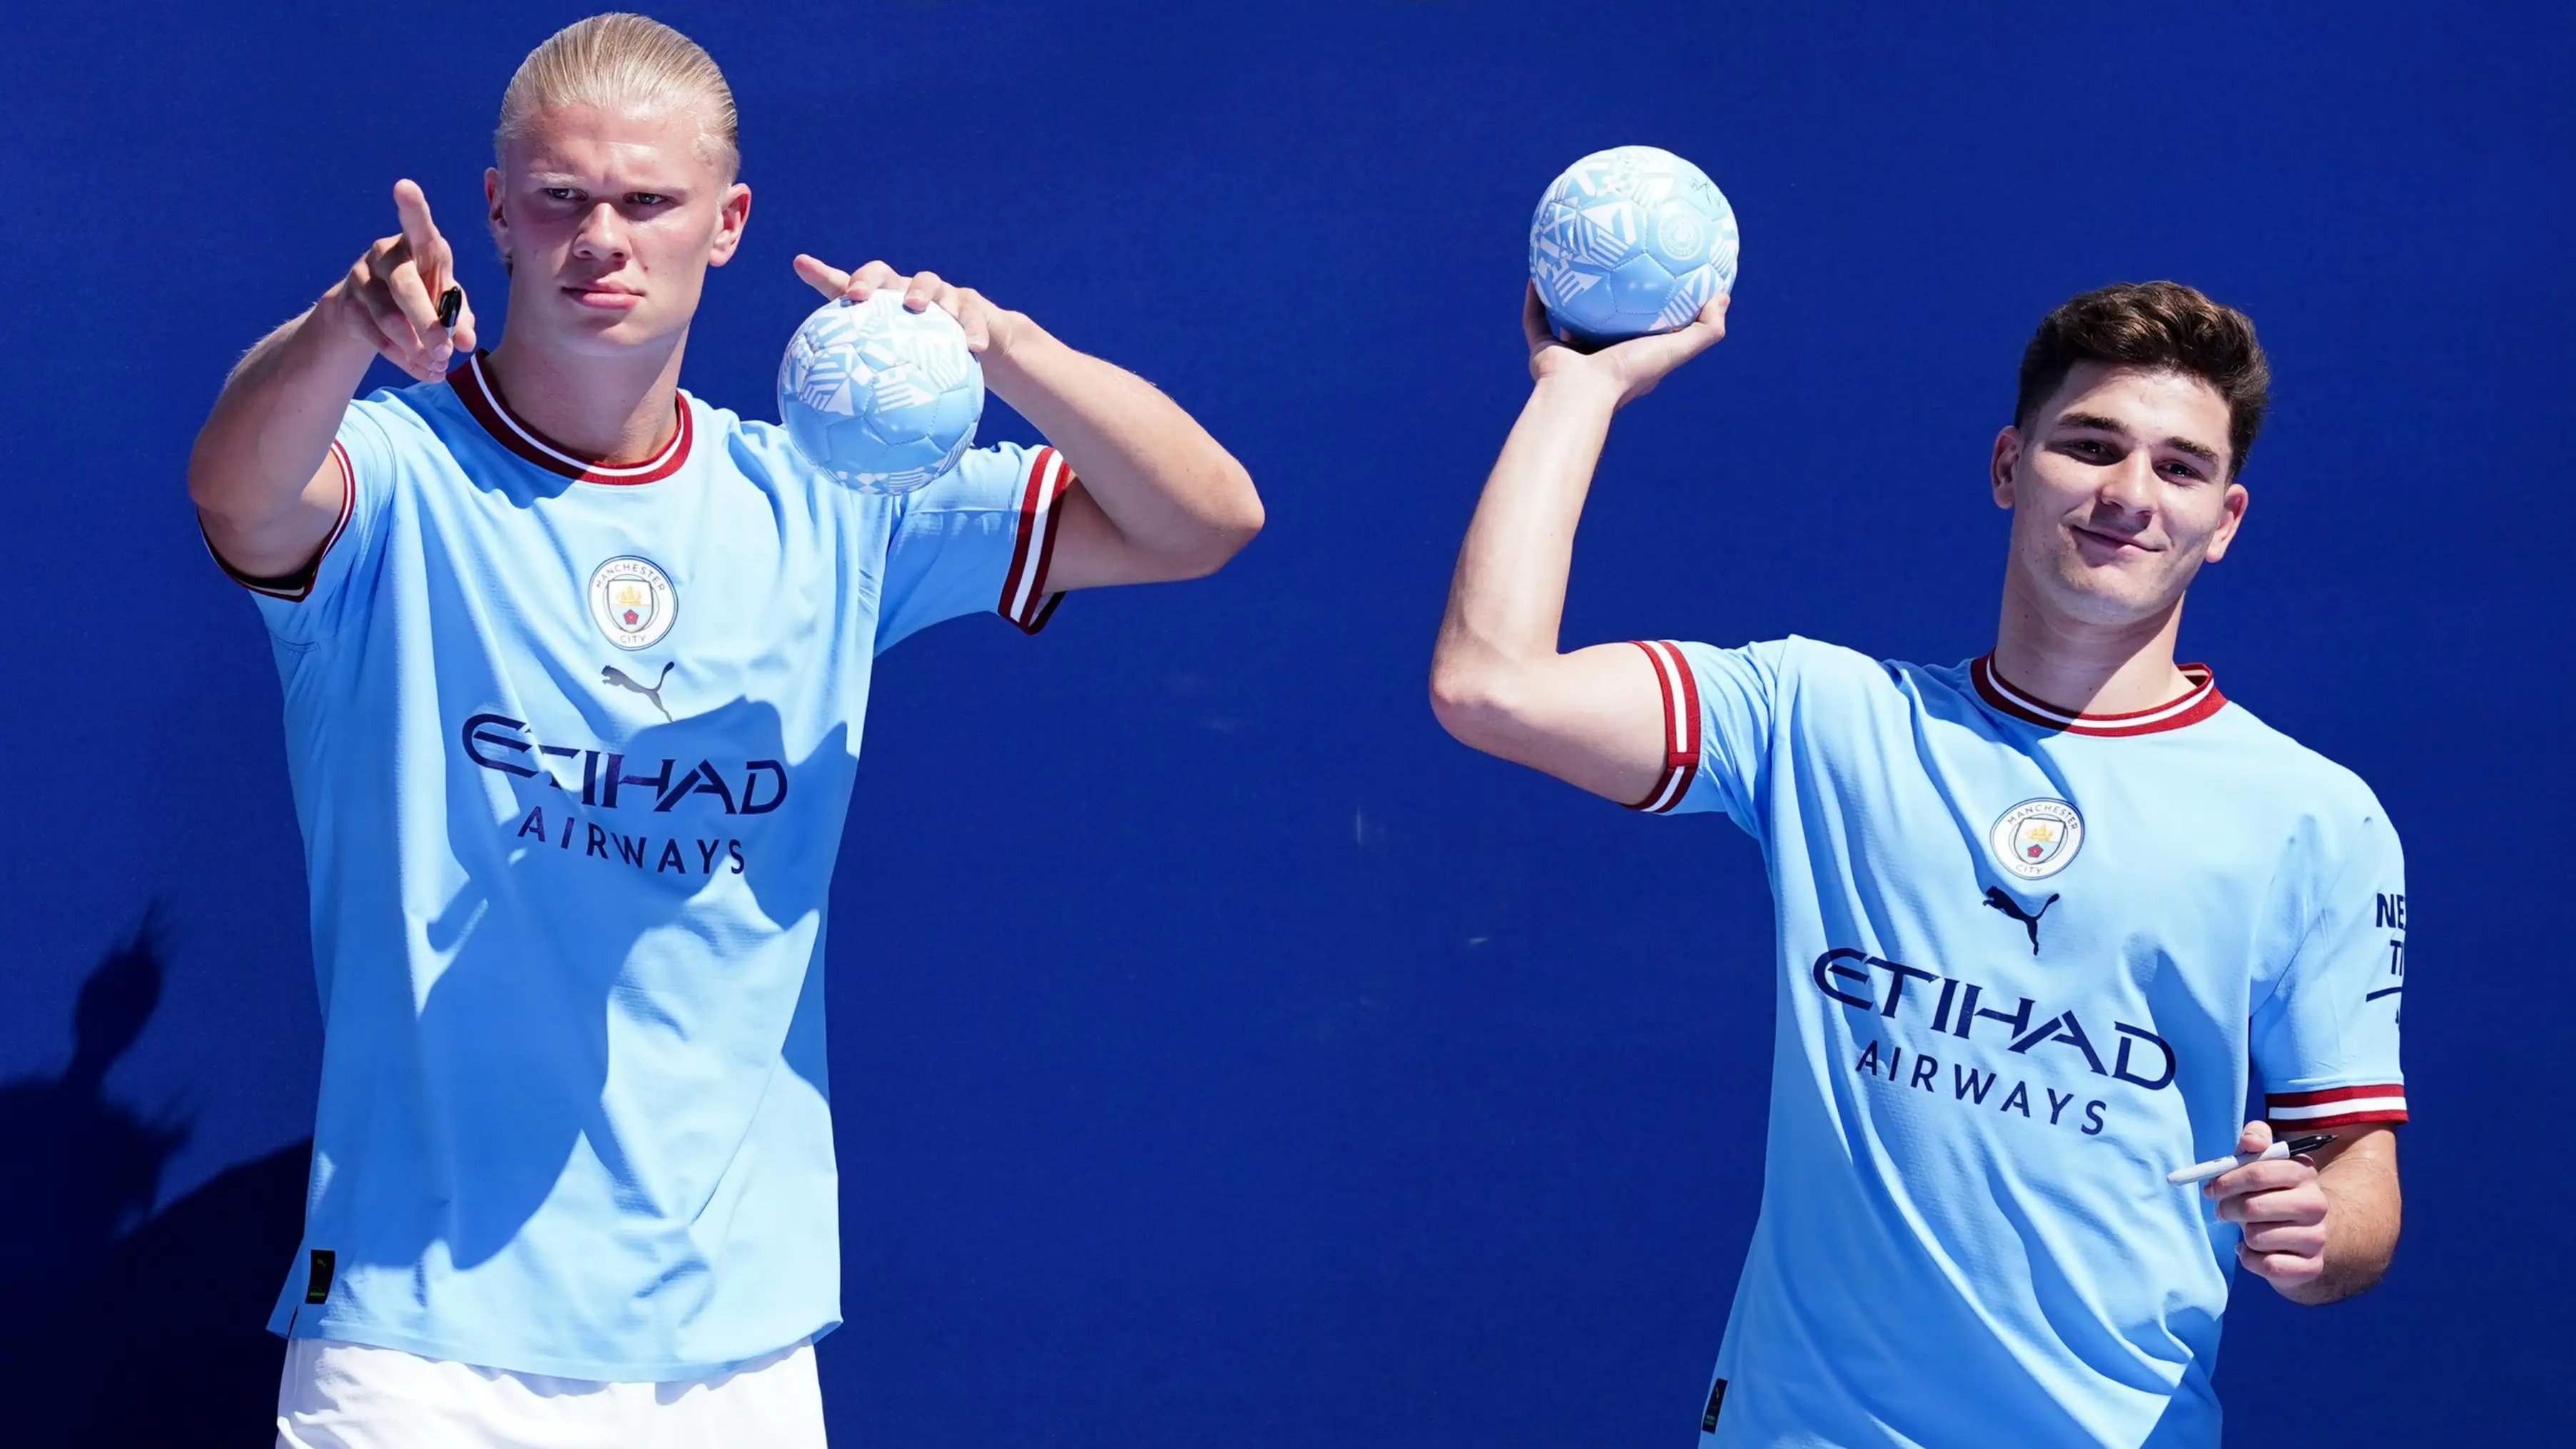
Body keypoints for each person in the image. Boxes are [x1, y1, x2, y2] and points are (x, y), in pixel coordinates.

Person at [187, 14, 1262, 1445]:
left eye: (649, 203)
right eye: (562, 200)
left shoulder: (831, 503)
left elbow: (1202, 520)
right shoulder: (394, 477)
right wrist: (343, 326)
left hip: (732, 1352)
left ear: (729, 223)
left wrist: (996, 343)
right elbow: (237, 496)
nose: (602, 241)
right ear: (498, 211)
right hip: (419, 1347)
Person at [1429, 279, 2404, 1446]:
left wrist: (2312, 1230)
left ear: (2225, 518)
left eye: (2178, 467)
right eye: (2087, 446)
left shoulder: (2314, 816)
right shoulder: (1818, 717)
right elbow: (1490, 686)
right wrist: (1577, 389)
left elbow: (2357, 1182)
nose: (2127, 496)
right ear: (2007, 464)